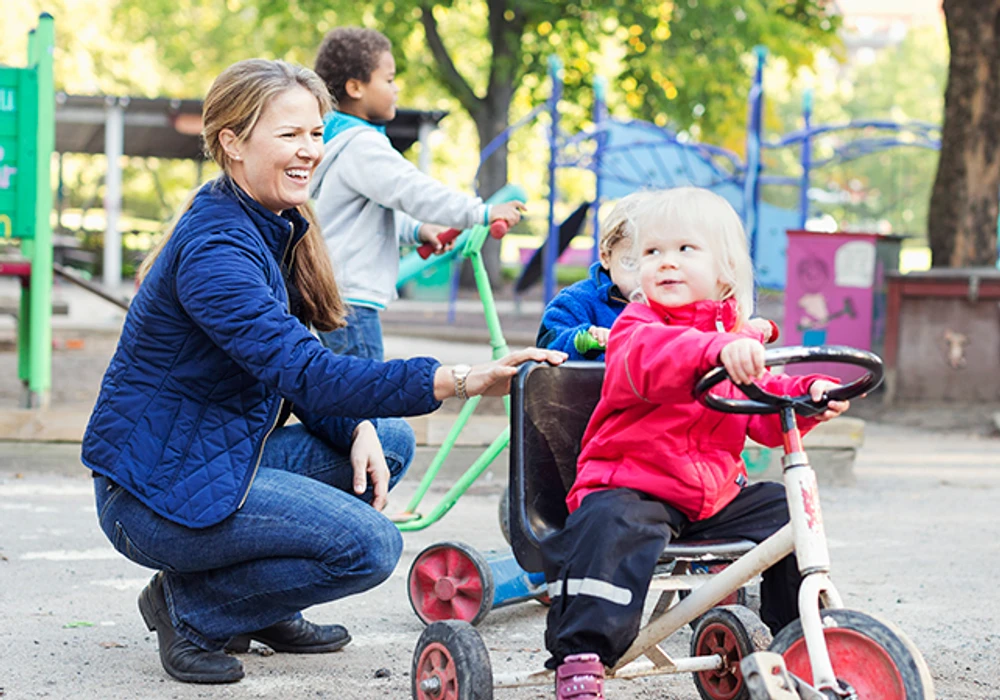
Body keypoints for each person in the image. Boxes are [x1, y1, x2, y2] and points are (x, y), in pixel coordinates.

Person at [80, 58, 565, 686]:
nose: (310, 150)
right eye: (289, 135)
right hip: (152, 491)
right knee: (370, 547)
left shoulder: (270, 221)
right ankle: (192, 608)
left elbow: (296, 366)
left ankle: (264, 604)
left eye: (315, 133)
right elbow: (304, 370)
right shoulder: (217, 251)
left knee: (383, 440)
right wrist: (461, 377)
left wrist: (356, 425)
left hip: (212, 453)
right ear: (232, 142)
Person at [539, 187, 848, 700]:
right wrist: (718, 348)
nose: (665, 263)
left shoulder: (732, 337)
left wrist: (807, 397)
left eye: (685, 250)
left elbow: (765, 410)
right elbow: (651, 363)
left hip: (707, 498)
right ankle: (583, 652)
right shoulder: (637, 327)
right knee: (612, 524)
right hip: (631, 483)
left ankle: (800, 636)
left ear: (725, 271)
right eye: (652, 252)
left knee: (784, 509)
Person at [309, 26, 525, 360]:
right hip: (351, 303)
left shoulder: (332, 139)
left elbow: (365, 211)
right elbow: (413, 191)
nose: (396, 89)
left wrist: (417, 229)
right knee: (367, 401)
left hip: (332, 293)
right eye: (389, 79)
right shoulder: (362, 145)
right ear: (355, 87)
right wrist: (480, 212)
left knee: (338, 399)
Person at [536, 192, 779, 362]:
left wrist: (744, 331)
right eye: (634, 261)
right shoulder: (578, 301)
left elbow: (701, 339)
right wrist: (584, 340)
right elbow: (548, 346)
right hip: (580, 407)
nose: (648, 273)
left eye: (654, 257)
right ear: (606, 256)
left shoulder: (675, 301)